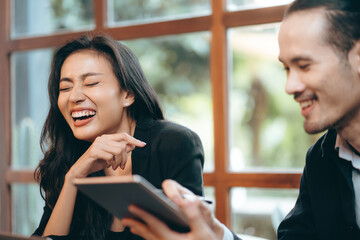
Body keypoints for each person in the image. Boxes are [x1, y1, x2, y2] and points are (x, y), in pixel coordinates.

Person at [120, 0, 360, 239]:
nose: (290, 86)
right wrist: (217, 234)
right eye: (287, 68)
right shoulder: (323, 157)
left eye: (304, 66)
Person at [31, 34, 205, 240]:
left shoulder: (174, 144)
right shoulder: (67, 156)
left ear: (128, 94)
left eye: (91, 83)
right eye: (65, 88)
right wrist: (73, 177)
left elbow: (195, 235)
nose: (74, 97)